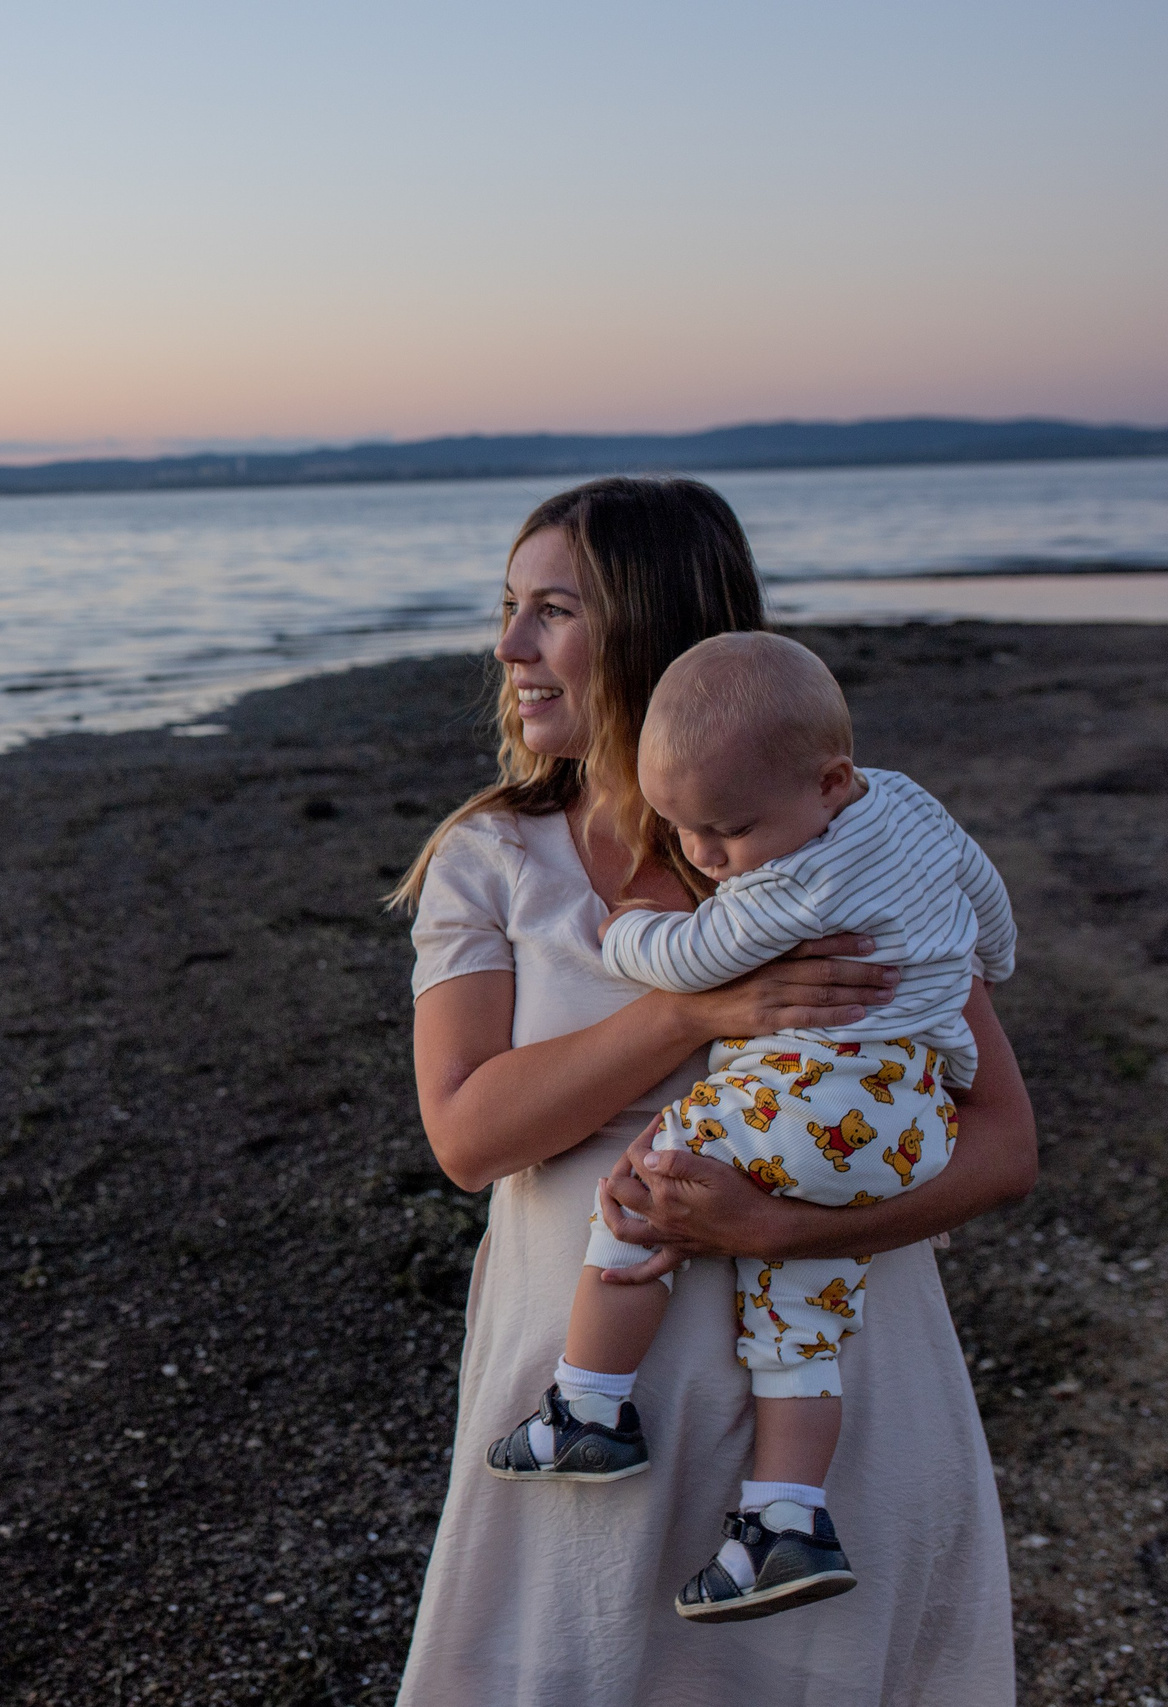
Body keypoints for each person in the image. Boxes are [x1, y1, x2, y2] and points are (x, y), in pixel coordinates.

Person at [390, 477, 1035, 1705]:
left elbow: (1003, 1147)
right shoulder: (491, 858)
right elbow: (467, 1136)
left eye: (553, 611)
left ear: (651, 627)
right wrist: (689, 1011)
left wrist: (779, 1230)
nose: (509, 645)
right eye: (507, 607)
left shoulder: (843, 851)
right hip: (590, 1436)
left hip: (841, 1405)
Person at [480, 629, 1019, 1625]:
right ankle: (784, 1520)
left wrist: (628, 933)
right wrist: (985, 952)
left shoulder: (795, 882)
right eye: (682, 832)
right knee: (800, 1324)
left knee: (646, 1192)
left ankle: (589, 1405)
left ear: (828, 784)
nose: (704, 855)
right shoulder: (905, 804)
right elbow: (980, 888)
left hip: (809, 1102)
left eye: (724, 832)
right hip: (902, 1126)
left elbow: (697, 956)